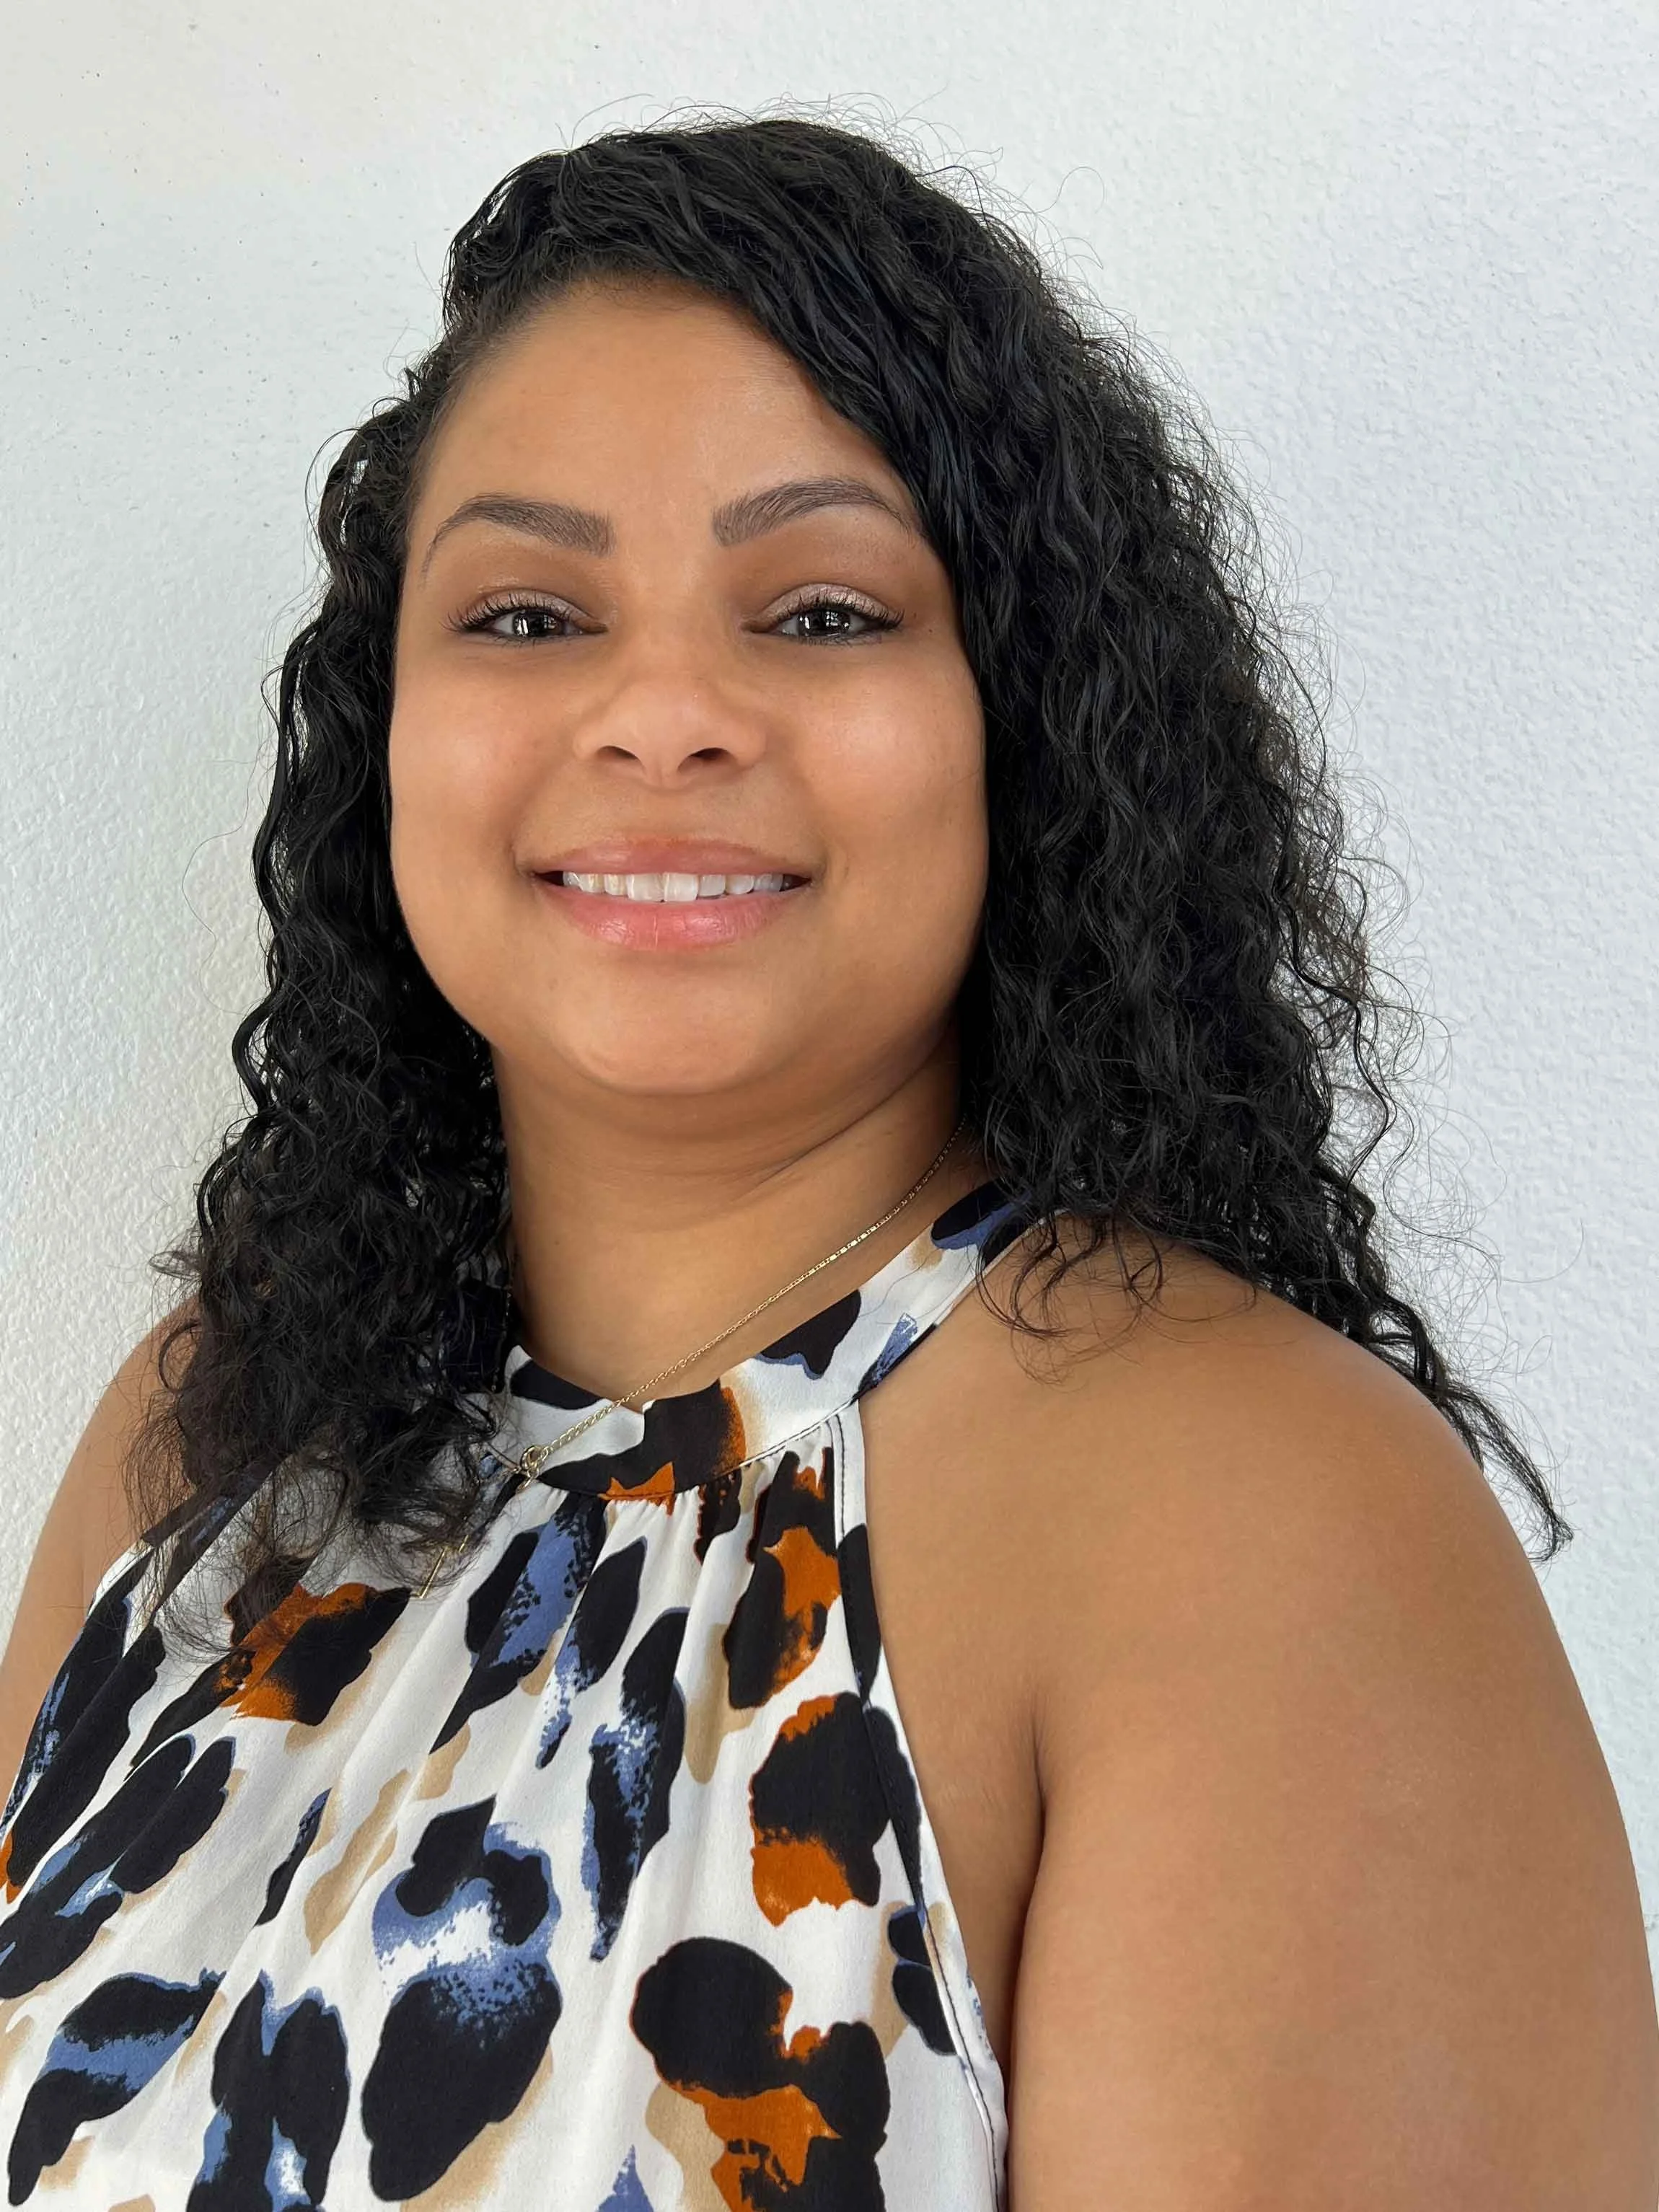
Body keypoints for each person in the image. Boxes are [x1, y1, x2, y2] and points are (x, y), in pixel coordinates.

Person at [0, 115, 1653, 2212]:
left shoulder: (1246, 1514)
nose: (663, 712)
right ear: (383, 728)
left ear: (1020, 723)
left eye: (818, 611)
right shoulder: (215, 1433)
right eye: (524, 615)